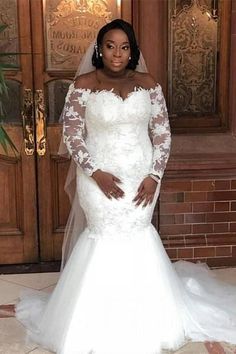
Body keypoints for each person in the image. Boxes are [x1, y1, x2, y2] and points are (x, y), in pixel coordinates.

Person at [16, 19, 236, 354]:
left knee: (138, 232)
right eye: (110, 46)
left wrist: (154, 177)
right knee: (103, 234)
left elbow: (162, 134)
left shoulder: (149, 84)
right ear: (99, 49)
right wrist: (95, 172)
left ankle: (148, 317)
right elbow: (73, 137)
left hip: (142, 178)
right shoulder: (84, 84)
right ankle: (93, 320)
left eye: (124, 47)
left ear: (132, 51)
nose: (117, 54)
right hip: (98, 179)